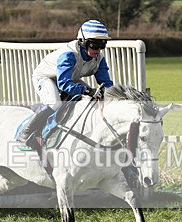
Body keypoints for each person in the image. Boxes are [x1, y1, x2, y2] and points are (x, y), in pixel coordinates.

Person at [16, 20, 114, 148]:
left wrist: (112, 96)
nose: (98, 50)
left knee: (91, 99)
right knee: (55, 103)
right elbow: (64, 84)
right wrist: (88, 91)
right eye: (95, 45)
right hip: (47, 77)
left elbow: (106, 84)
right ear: (83, 42)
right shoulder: (68, 55)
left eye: (102, 45)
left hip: (69, 77)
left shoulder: (99, 58)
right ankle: (25, 133)